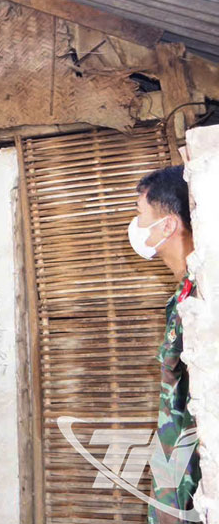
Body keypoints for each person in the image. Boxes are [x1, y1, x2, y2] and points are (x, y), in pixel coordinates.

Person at [129, 165, 200, 523]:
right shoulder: (185, 294)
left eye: (141, 215)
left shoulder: (205, 295)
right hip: (177, 482)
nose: (135, 227)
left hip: (196, 487)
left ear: (168, 224)